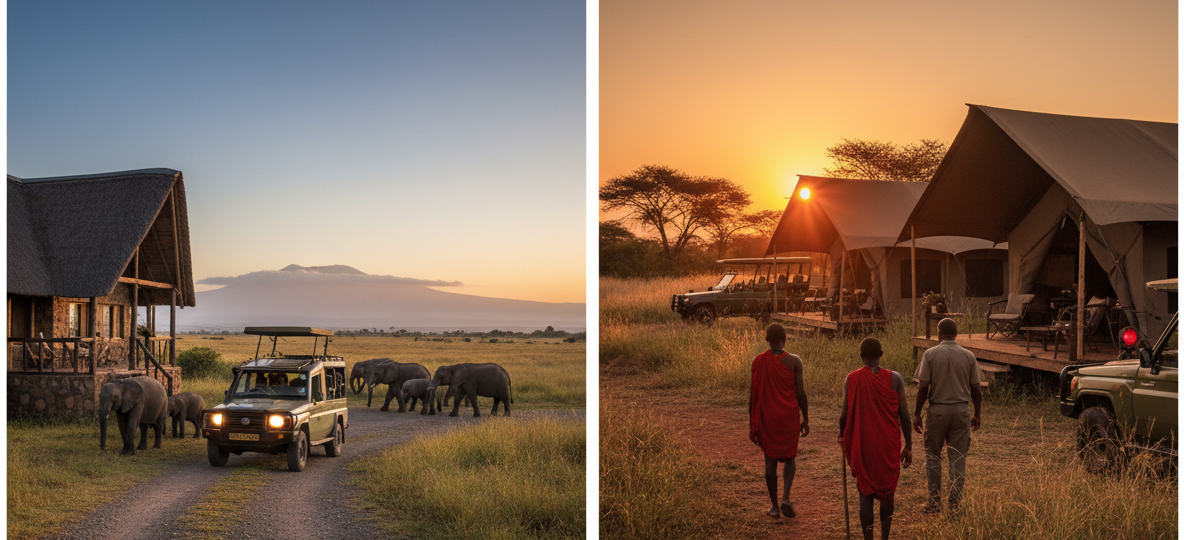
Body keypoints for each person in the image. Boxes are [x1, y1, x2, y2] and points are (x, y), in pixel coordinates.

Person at [839, 337, 912, 540]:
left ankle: (868, 538)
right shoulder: (895, 379)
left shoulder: (851, 379)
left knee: (865, 492)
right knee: (888, 493)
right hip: (888, 445)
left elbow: (844, 416)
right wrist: (908, 445)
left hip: (864, 445)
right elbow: (905, 416)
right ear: (881, 355)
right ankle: (885, 537)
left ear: (862, 357)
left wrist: (841, 434)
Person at [913, 318, 982, 513]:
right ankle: (955, 504)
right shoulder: (969, 356)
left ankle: (934, 503)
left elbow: (923, 387)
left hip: (938, 410)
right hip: (961, 410)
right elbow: (976, 389)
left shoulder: (931, 354)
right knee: (958, 457)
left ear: (939, 333)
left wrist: (917, 414)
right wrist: (977, 414)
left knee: (933, 456)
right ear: (956, 334)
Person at [749, 323, 810, 519]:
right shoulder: (794, 361)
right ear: (785, 338)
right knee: (790, 457)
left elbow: (753, 396)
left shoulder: (758, 361)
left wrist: (753, 422)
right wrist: (806, 418)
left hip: (768, 418)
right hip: (788, 416)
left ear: (767, 340)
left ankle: (774, 507)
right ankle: (785, 498)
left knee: (770, 461)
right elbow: (801, 393)